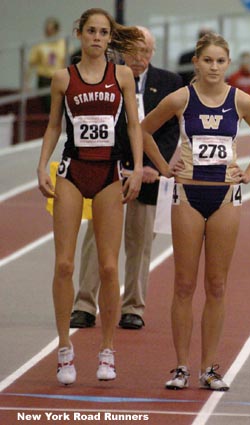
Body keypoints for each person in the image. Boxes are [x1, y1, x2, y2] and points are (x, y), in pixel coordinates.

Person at [140, 32, 250, 391]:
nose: (214, 67)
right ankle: (181, 366)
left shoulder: (241, 101)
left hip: (226, 197)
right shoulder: (181, 98)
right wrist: (163, 167)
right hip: (187, 194)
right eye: (208, 60)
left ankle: (210, 368)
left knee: (216, 285)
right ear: (196, 63)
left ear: (227, 64)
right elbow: (143, 130)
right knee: (184, 284)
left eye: (220, 61)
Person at [36, 8, 144, 385]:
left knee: (109, 267)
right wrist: (40, 165)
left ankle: (107, 350)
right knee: (64, 264)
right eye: (91, 31)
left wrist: (137, 168)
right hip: (72, 170)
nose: (97, 38)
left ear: (109, 38)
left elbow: (133, 124)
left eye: (103, 32)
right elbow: (53, 126)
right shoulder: (63, 78)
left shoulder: (124, 76)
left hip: (110, 174)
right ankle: (65, 348)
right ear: (79, 34)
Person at [69, 26, 183, 330]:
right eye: (134, 51)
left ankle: (133, 307)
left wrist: (150, 167)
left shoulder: (169, 83)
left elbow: (171, 131)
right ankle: (84, 304)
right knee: (97, 240)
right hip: (109, 173)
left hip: (147, 177)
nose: (140, 58)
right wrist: (122, 166)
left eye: (146, 51)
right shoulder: (107, 79)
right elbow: (103, 125)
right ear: (121, 51)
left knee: (140, 243)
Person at [25, 17, 66, 113]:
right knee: (49, 105)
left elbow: (67, 63)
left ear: (56, 31)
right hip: (45, 79)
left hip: (58, 78)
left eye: (51, 30)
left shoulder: (63, 44)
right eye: (47, 30)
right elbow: (31, 64)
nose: (49, 33)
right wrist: (26, 83)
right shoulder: (40, 45)